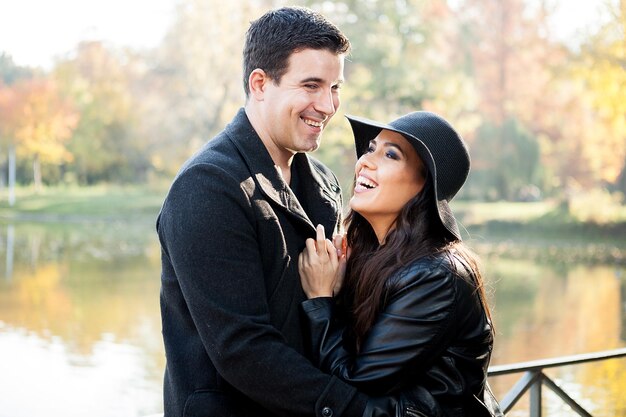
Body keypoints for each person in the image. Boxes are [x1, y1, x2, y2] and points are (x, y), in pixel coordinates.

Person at [157, 6, 418, 417]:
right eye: (311, 85)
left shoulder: (325, 183)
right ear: (260, 83)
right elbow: (243, 349)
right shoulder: (207, 187)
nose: (328, 105)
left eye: (335, 87)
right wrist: (356, 409)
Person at [299, 111, 503, 416]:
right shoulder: (376, 259)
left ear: (424, 185)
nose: (365, 162)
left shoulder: (437, 276)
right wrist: (341, 291)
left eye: (390, 154)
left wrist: (320, 300)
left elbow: (354, 384)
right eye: (371, 149)